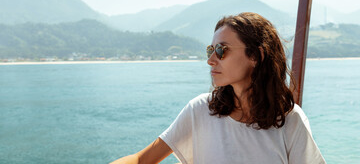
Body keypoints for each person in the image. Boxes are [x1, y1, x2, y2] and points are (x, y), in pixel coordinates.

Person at [110, 12, 326, 164]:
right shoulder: (200, 110)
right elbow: (141, 159)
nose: (211, 60)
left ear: (256, 56)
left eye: (222, 50)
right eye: (210, 50)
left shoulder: (289, 120)